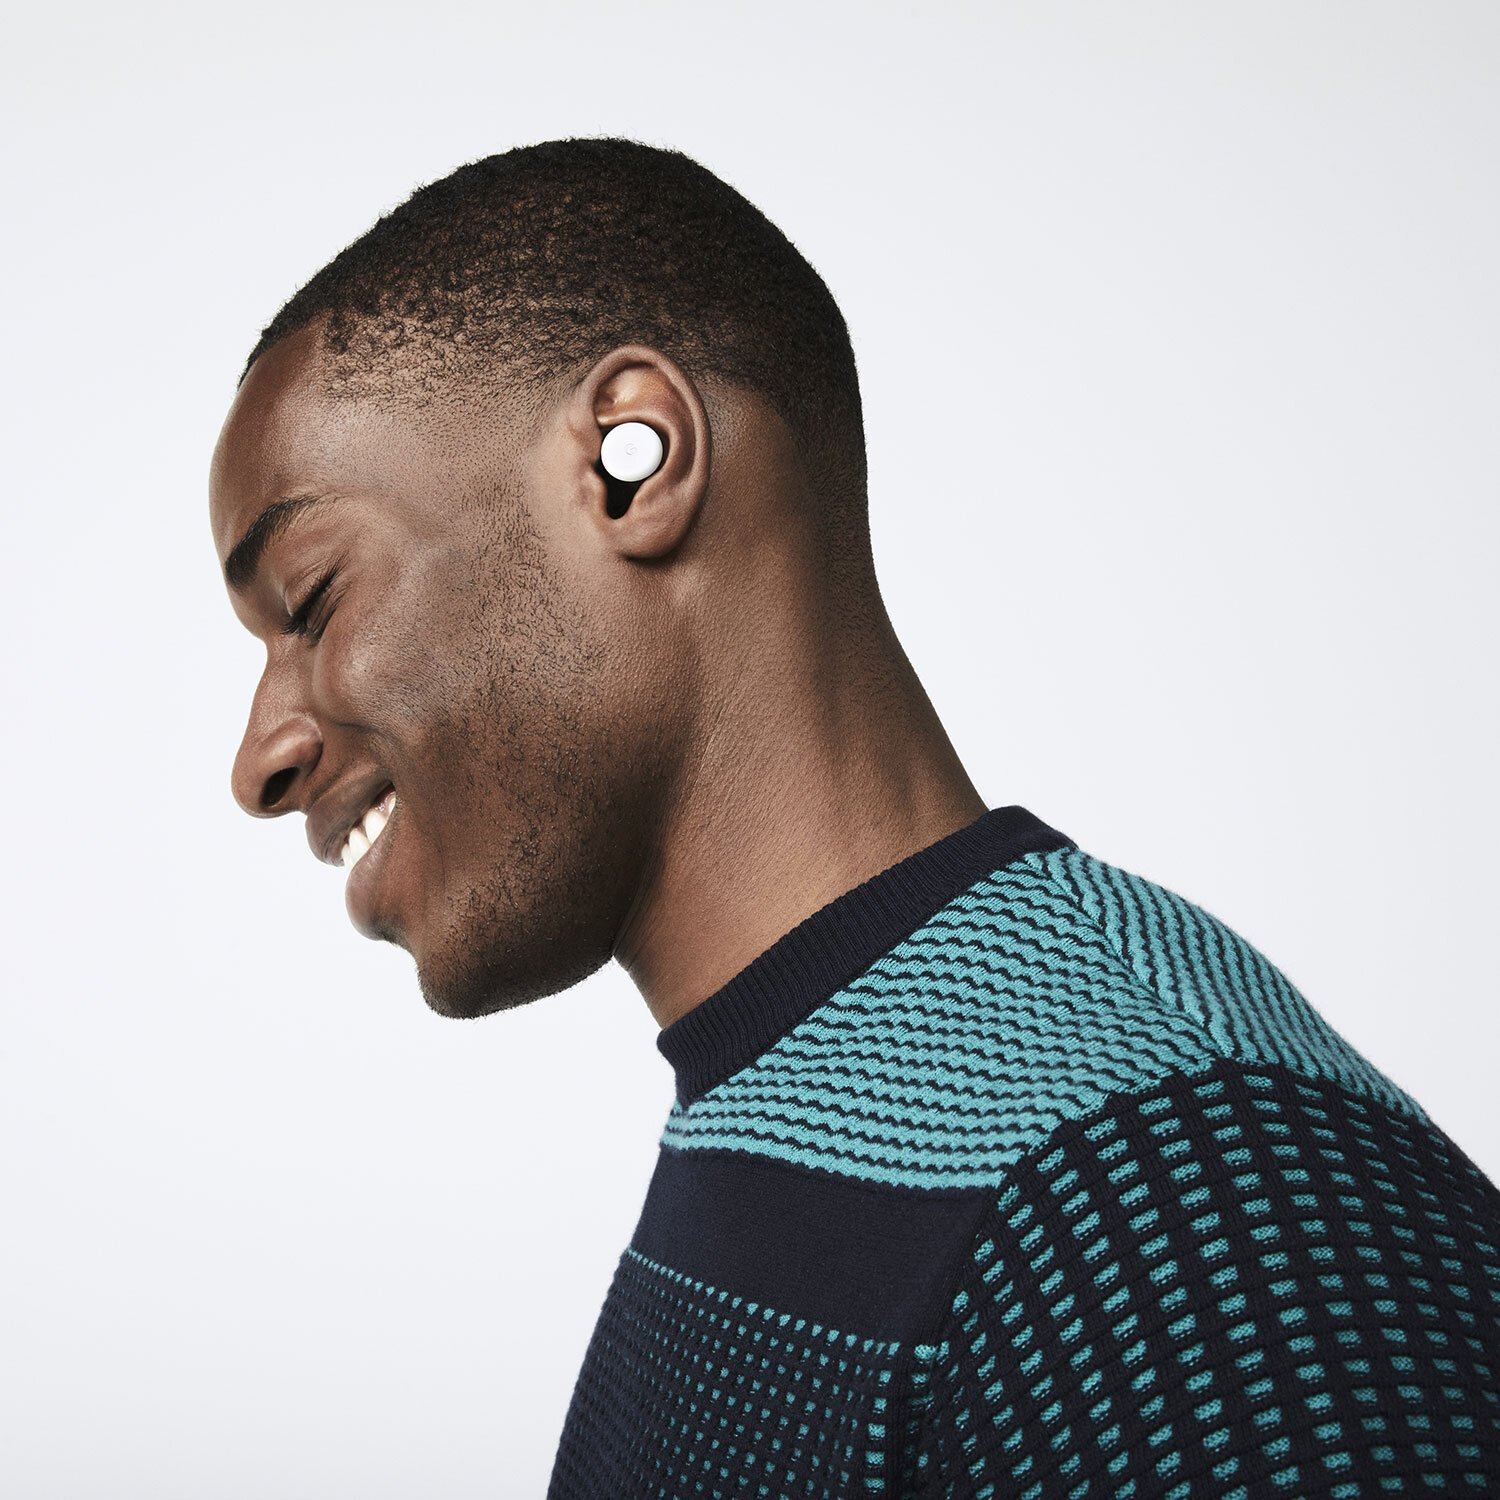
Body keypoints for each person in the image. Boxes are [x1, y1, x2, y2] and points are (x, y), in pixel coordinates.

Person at [209, 137, 1500, 1497]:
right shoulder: (802, 1114)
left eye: (312, 601)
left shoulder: (1190, 1203)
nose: (258, 761)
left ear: (631, 468)